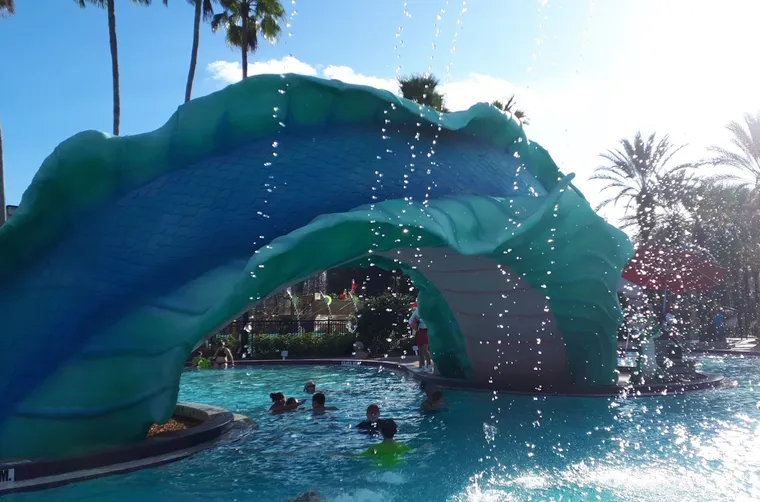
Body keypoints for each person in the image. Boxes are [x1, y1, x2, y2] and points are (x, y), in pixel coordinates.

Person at [408, 303, 433, 372]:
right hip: (420, 331)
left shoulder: (427, 311)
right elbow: (410, 320)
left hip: (427, 331)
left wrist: (419, 320)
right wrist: (414, 325)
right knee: (421, 350)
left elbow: (428, 321)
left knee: (425, 349)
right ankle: (422, 366)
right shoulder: (417, 311)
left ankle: (429, 365)